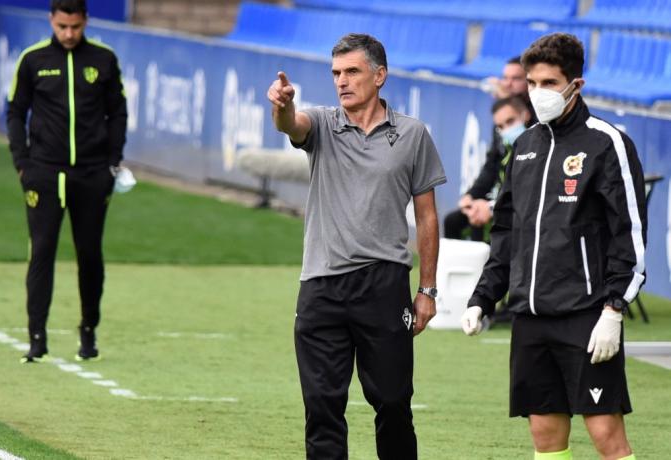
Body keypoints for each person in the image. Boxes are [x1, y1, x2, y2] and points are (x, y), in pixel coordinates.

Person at [461, 33, 645, 460]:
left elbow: (630, 233)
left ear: (575, 85)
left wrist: (613, 310)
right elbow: (506, 231)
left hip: (587, 314)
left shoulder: (607, 142)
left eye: (549, 83)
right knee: (545, 436)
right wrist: (483, 297)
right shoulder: (524, 146)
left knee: (605, 435)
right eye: (531, 82)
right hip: (530, 315)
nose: (537, 92)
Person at [267, 33, 446, 459]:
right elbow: (292, 126)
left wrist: (427, 289)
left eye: (352, 72)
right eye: (335, 73)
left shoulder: (412, 134)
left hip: (383, 287)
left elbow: (427, 217)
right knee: (323, 407)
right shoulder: (323, 124)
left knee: (392, 403)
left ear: (379, 76)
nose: (342, 81)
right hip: (321, 287)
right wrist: (283, 106)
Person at [7, 0, 127, 363]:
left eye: (75, 26)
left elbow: (118, 112)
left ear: (85, 21)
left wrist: (113, 162)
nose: (69, 34)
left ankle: (88, 329)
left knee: (89, 254)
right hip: (43, 173)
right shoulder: (33, 60)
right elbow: (15, 110)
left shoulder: (104, 59)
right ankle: (37, 337)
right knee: (41, 251)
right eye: (62, 27)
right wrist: (22, 162)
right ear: (52, 22)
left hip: (92, 174)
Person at [444, 57, 533, 241]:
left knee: (485, 222)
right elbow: (492, 164)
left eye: (516, 78)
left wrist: (491, 206)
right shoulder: (501, 117)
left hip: (519, 205)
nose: (508, 84)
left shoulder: (537, 123)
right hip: (496, 198)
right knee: (455, 221)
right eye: (505, 78)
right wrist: (471, 195)